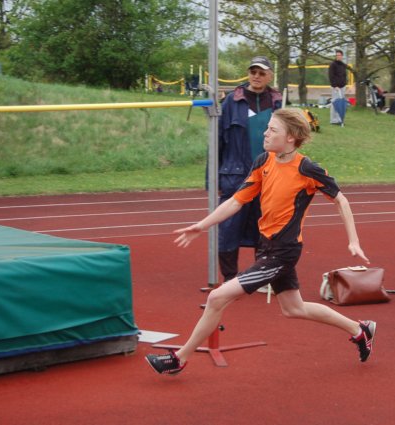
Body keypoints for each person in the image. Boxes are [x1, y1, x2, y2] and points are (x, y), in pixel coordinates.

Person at [145, 108, 377, 375]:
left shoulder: (306, 168)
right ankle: (360, 329)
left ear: (290, 137)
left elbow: (341, 200)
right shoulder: (263, 161)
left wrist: (353, 241)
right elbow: (236, 201)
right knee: (294, 308)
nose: (265, 133)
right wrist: (202, 225)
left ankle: (179, 359)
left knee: (217, 297)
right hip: (265, 246)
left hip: (283, 252)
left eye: (272, 129)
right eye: (267, 127)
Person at [216, 56, 282, 283]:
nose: (256, 76)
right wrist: (213, 179)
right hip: (235, 176)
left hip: (269, 176)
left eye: (261, 73)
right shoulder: (232, 102)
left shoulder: (278, 103)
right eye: (253, 71)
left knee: (266, 228)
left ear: (270, 76)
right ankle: (229, 278)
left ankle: (259, 277)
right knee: (229, 228)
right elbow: (218, 140)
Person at [328, 49, 348, 125]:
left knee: (341, 104)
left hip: (342, 87)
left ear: (342, 56)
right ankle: (333, 120)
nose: (338, 56)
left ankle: (340, 119)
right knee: (335, 103)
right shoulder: (333, 65)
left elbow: (344, 76)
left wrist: (345, 84)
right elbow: (331, 76)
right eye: (337, 55)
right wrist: (335, 86)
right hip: (336, 87)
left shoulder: (343, 65)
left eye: (339, 55)